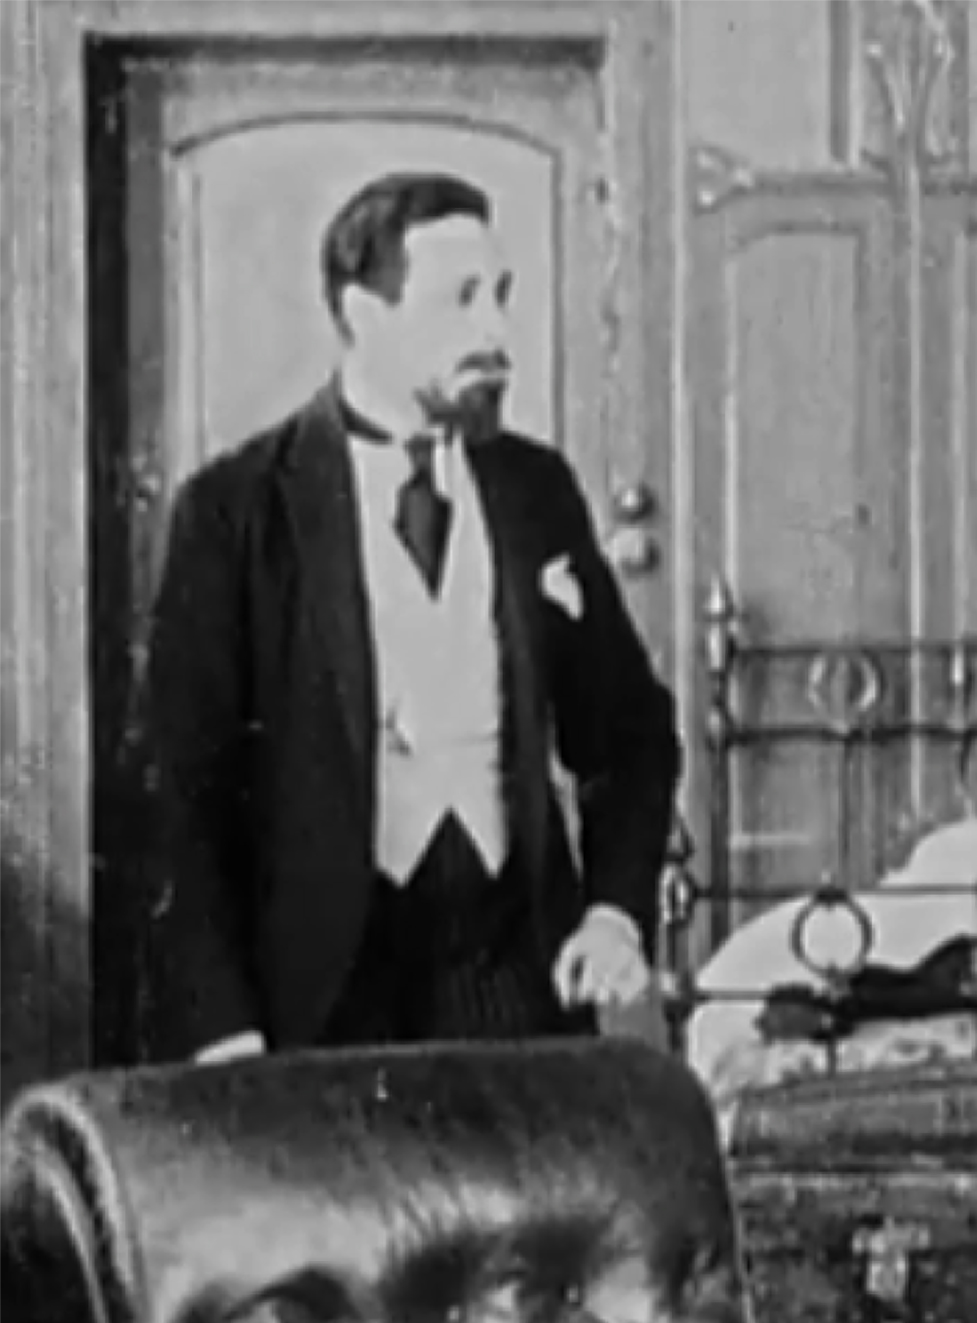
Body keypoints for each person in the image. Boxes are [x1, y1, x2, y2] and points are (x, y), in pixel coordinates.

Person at [134, 169, 681, 1062]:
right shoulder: (234, 511)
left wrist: (615, 913)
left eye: (500, 295)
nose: (496, 332)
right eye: (460, 299)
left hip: (515, 980)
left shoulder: (536, 491)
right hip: (316, 999)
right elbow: (178, 798)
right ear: (364, 313)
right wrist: (224, 1029)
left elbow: (630, 734)